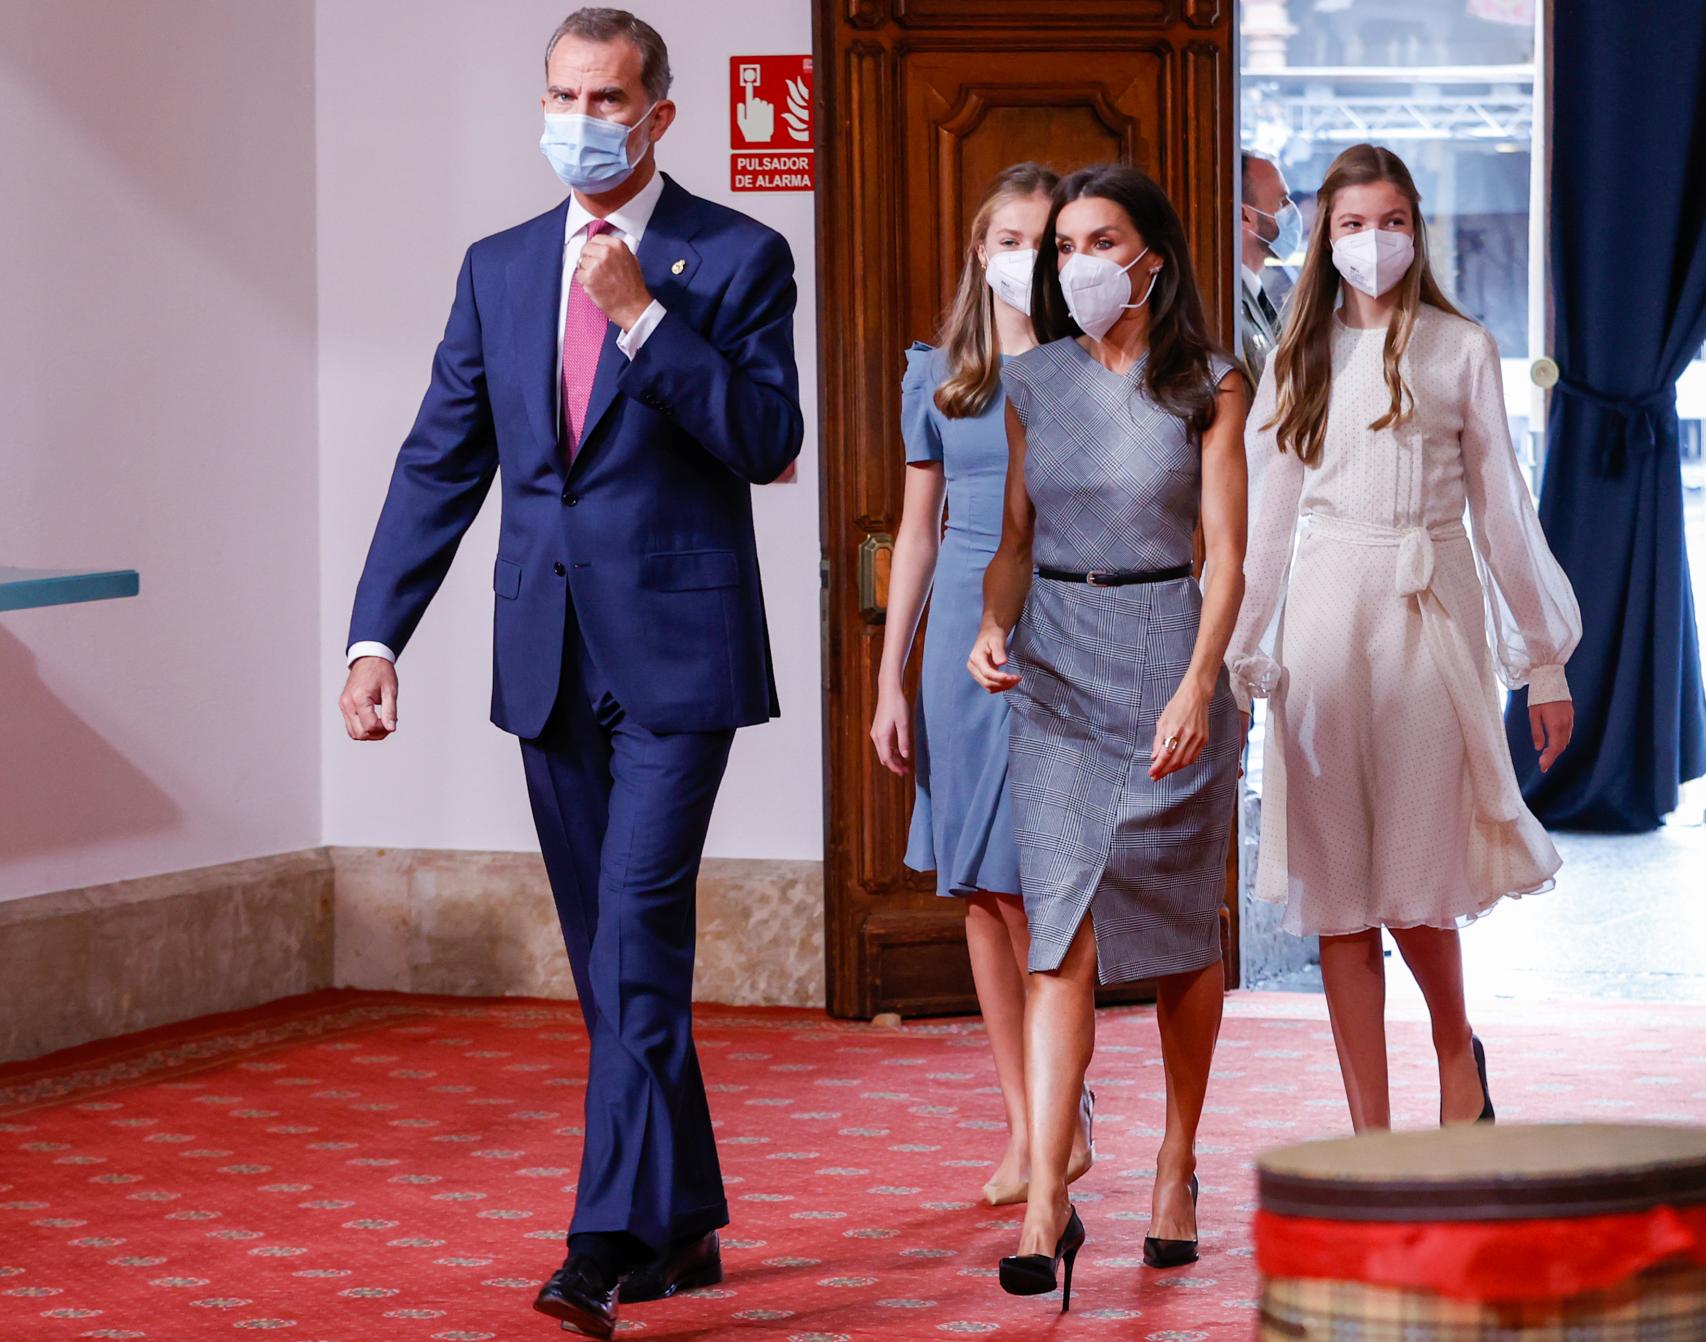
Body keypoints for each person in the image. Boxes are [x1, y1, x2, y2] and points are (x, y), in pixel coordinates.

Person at [337, 9, 802, 1338]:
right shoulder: (494, 269)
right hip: (542, 652)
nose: (579, 118)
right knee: (612, 963)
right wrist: (377, 637)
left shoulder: (736, 255)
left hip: (679, 654)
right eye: (559, 93)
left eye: (605, 96)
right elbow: (443, 461)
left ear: (660, 112)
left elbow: (767, 434)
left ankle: (601, 1240)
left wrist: (645, 319)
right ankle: (689, 1212)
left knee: (639, 933)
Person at [1226, 143, 1581, 1135]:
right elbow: (1262, 521)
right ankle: (1366, 1138)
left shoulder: (1457, 347)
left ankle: (1449, 1047)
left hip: (1432, 612)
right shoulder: (1295, 356)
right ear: (1320, 237)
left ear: (1413, 229)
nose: (1370, 242)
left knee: (1416, 872)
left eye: (1388, 222)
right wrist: (1242, 653)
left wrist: (1541, 660)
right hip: (1326, 617)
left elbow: (1502, 513)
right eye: (1349, 224)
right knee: (1336, 886)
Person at [969, 164, 1249, 1305]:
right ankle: (1047, 1197)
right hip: (1055, 668)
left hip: (1166, 650)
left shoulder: (1210, 383)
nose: (1079, 261)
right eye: (1067, 244)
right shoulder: (1030, 379)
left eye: (1102, 241)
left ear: (1153, 260)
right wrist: (991, 618)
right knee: (1058, 937)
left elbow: (1224, 554)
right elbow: (1013, 535)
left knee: (1181, 936)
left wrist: (1197, 683)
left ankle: (1174, 1162)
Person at [870, 162, 1093, 1210]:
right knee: (972, 883)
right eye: (1005, 236)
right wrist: (888, 680)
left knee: (1024, 881)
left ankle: (1061, 1110)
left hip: (1055, 621)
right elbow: (914, 534)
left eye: (1041, 240)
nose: (1021, 256)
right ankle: (1025, 1120)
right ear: (977, 248)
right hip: (953, 626)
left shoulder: (1092, 366)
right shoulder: (937, 373)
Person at [1238, 151, 1301, 384]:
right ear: (1245, 216)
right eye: (1282, 201)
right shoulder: (1230, 307)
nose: (1290, 210)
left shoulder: (1252, 291)